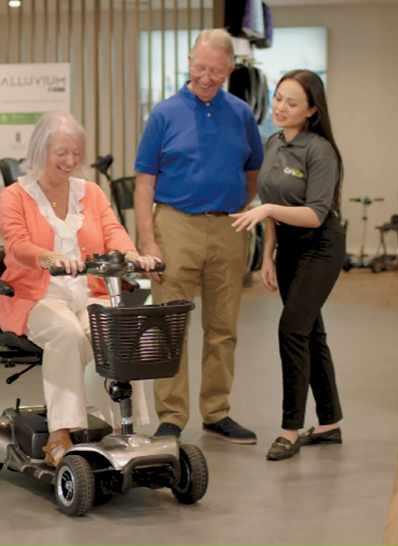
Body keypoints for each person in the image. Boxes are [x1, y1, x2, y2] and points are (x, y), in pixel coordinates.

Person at [0, 112, 159, 467]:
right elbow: (16, 244)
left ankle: (123, 427)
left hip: (89, 294)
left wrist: (133, 255)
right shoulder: (14, 196)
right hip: (37, 297)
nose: (70, 161)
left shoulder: (91, 193)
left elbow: (113, 231)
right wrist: (47, 257)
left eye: (76, 153)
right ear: (41, 150)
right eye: (62, 153)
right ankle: (61, 433)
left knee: (118, 330)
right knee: (67, 334)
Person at [133, 28, 264, 444]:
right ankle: (171, 415)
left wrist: (234, 208)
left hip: (228, 226)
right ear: (189, 62)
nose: (206, 77)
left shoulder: (241, 114)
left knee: (223, 327)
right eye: (200, 67)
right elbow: (144, 183)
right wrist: (147, 242)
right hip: (175, 225)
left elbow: (252, 173)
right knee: (169, 325)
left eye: (216, 71)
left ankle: (216, 411)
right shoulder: (164, 114)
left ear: (230, 70)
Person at [231, 70, 345, 461]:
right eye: (278, 98)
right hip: (289, 250)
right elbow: (271, 202)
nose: (280, 107)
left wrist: (267, 210)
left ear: (311, 110)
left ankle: (289, 429)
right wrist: (268, 255)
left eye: (291, 102)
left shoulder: (320, 151)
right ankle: (329, 424)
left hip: (321, 247)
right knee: (311, 333)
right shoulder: (273, 143)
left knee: (292, 330)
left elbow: (314, 214)